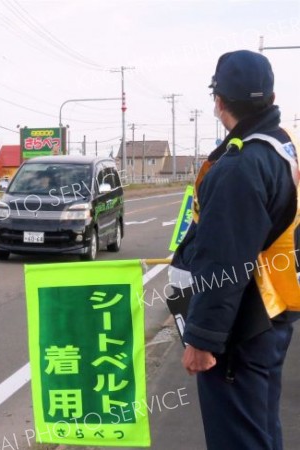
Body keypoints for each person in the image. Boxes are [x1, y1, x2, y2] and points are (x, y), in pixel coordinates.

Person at [176, 50, 299, 450]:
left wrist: (203, 340)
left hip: (240, 328)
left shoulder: (239, 166)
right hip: (271, 312)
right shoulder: (282, 149)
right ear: (272, 97)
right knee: (260, 431)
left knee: (238, 439)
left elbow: (224, 260)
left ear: (219, 101)